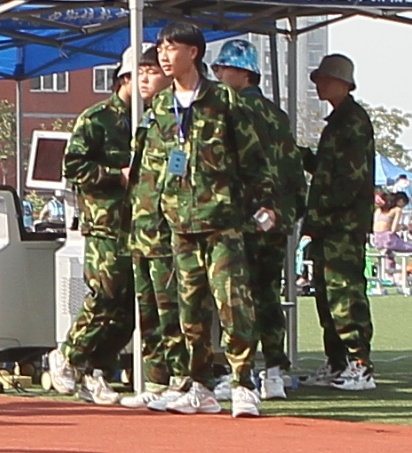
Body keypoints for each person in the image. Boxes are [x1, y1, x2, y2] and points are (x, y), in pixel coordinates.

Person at [143, 21, 280, 418]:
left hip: (222, 220)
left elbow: (254, 159)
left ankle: (242, 382)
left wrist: (266, 205)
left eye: (172, 48)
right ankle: (198, 384)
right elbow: (157, 164)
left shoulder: (224, 100)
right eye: (161, 49)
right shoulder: (161, 105)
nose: (164, 56)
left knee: (233, 302)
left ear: (194, 53)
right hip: (179, 223)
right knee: (190, 309)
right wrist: (153, 215)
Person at [52, 47, 150, 404]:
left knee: (130, 305)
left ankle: (96, 369)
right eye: (144, 73)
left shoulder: (155, 118)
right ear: (126, 78)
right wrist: (115, 176)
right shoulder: (96, 119)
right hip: (107, 222)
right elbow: (73, 167)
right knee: (106, 294)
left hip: (144, 225)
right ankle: (69, 354)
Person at [210, 38, 303, 399]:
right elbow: (293, 170)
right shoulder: (277, 116)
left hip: (244, 217)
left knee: (238, 297)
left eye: (223, 69)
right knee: (267, 293)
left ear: (243, 73)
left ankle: (242, 374)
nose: (218, 74)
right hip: (275, 218)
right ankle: (275, 370)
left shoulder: (234, 112)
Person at [304, 51, 378, 389]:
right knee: (327, 295)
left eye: (323, 79)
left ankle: (359, 363)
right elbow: (327, 169)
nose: (319, 84)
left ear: (342, 83)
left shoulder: (352, 122)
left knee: (345, 294)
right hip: (330, 225)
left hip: (343, 226)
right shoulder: (338, 121)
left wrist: (326, 212)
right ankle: (337, 362)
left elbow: (348, 179)